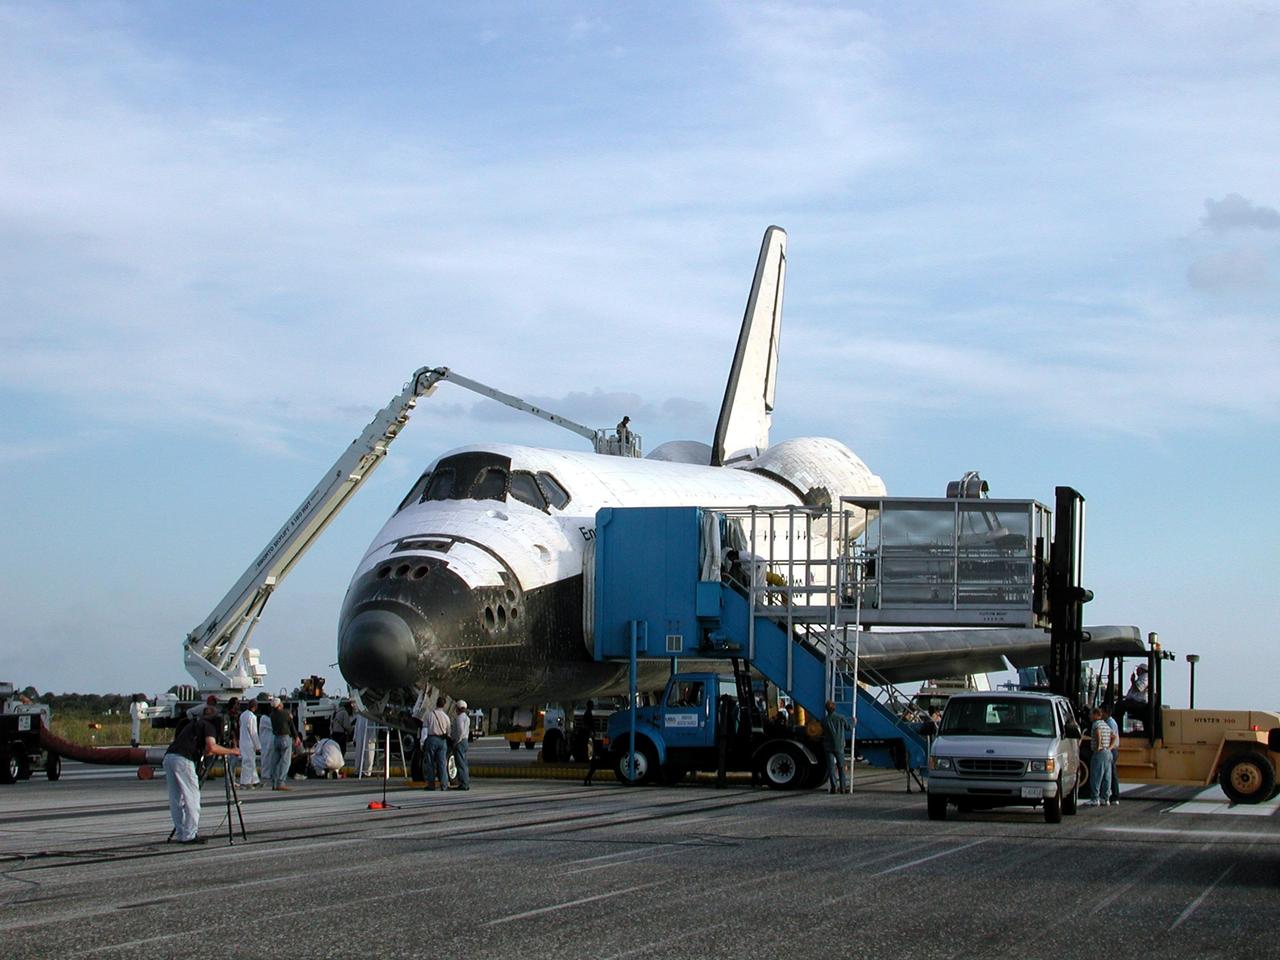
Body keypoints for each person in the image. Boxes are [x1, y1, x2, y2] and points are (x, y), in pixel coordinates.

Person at [163, 704, 238, 844]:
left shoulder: (194, 724)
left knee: (176, 799)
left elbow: (206, 750)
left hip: (169, 757)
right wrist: (232, 751)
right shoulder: (208, 726)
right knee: (192, 797)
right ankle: (190, 834)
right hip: (183, 760)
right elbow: (212, 747)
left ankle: (180, 833)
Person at [268, 698, 301, 791]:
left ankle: (274, 783)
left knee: (275, 761)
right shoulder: (286, 713)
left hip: (276, 739)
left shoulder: (271, 715)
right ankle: (281, 783)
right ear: (279, 705)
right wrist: (296, 737)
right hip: (285, 738)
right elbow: (291, 725)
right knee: (285, 762)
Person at [821, 701, 852, 794]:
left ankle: (834, 787)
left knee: (831, 767)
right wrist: (854, 722)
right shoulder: (841, 718)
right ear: (835, 708)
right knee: (841, 767)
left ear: (826, 709)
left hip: (828, 746)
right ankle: (843, 788)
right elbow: (849, 728)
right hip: (839, 745)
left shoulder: (824, 720)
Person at [422, 696, 451, 791]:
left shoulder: (429, 715)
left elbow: (425, 729)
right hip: (442, 741)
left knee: (430, 763)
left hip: (432, 739)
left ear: (436, 703)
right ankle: (444, 785)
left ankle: (431, 785)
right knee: (442, 763)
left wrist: (422, 742)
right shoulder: (446, 717)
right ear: (444, 705)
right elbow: (448, 731)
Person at [1086, 708, 1114, 807]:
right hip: (1108, 752)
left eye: (1091, 714)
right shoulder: (1106, 725)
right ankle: (1105, 798)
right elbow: (1113, 736)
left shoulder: (1096, 724)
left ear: (1096, 715)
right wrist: (1110, 747)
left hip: (1100, 753)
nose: (1089, 716)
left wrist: (1098, 747)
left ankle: (1095, 798)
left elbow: (1098, 734)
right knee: (1107, 777)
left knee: (1096, 776)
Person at [715, 694, 740, 788]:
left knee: (722, 758)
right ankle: (721, 780)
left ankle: (721, 781)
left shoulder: (725, 711)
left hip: (725, 739)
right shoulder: (731, 711)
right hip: (728, 738)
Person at [238, 700, 262, 788]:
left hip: (243, 741)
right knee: (248, 762)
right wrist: (258, 746)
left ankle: (255, 780)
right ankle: (245, 782)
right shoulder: (252, 717)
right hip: (249, 742)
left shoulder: (243, 715)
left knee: (251, 762)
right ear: (255, 707)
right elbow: (253, 732)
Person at [450, 700, 471, 790]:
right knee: (464, 763)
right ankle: (465, 782)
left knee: (460, 764)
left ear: (457, 709)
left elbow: (460, 732)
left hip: (460, 742)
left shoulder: (459, 718)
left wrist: (456, 741)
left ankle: (463, 784)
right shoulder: (467, 718)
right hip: (465, 741)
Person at [1104, 706, 1121, 806]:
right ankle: (1113, 795)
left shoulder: (1110, 723)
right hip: (1113, 749)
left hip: (1112, 750)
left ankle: (1114, 795)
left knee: (1111, 773)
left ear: (1106, 713)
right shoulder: (1111, 722)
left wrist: (1108, 748)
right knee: (1111, 773)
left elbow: (1112, 737)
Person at [257, 700, 275, 786]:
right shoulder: (264, 718)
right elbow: (273, 725)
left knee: (270, 758)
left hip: (269, 742)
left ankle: (269, 773)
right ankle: (265, 774)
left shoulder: (266, 718)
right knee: (265, 758)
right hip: (265, 742)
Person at [353, 712, 375, 777]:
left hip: (369, 734)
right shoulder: (360, 713)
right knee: (358, 753)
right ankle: (358, 770)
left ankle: (367, 772)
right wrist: (355, 738)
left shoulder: (371, 713)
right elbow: (356, 726)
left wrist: (373, 737)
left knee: (369, 753)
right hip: (360, 734)